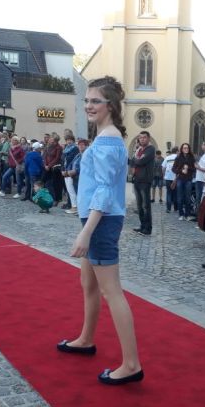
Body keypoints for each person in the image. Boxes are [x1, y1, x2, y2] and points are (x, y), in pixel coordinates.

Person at [60, 75, 143, 386]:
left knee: (111, 291)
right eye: (87, 100)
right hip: (97, 219)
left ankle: (132, 364)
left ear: (111, 105)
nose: (89, 105)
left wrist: (86, 232)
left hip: (101, 221)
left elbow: (105, 190)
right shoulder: (105, 137)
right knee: (88, 284)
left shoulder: (108, 140)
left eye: (96, 101)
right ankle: (86, 339)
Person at [130, 131, 155, 236]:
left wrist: (136, 159)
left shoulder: (150, 149)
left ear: (148, 138)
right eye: (140, 138)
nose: (142, 139)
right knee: (139, 206)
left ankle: (148, 229)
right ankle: (142, 226)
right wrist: (136, 158)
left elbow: (140, 161)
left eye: (144, 137)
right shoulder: (139, 150)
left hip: (145, 180)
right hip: (137, 179)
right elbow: (132, 162)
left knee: (146, 206)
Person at [172, 143, 196, 221]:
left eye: (187, 148)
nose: (186, 149)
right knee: (180, 197)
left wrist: (188, 168)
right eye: (184, 148)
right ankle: (181, 214)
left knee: (188, 198)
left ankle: (187, 214)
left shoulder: (192, 157)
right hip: (180, 179)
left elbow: (194, 169)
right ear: (182, 149)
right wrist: (181, 170)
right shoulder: (178, 157)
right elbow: (173, 169)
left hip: (188, 179)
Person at [61, 135, 80, 213]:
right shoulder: (65, 149)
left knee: (72, 190)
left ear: (73, 140)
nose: (68, 141)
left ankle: (75, 207)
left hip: (71, 171)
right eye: (67, 140)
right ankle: (73, 206)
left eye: (70, 140)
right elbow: (62, 160)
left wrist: (68, 170)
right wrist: (62, 170)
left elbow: (73, 160)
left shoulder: (75, 149)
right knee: (69, 190)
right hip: (65, 172)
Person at [162, 147, 178, 213]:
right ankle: (176, 208)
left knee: (169, 193)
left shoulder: (167, 158)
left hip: (168, 178)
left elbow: (163, 168)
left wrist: (164, 175)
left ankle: (168, 209)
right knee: (175, 193)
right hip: (176, 178)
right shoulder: (178, 157)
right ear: (177, 151)